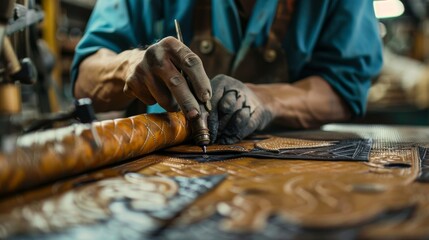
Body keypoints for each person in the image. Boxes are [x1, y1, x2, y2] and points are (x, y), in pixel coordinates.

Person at [71, 0, 383, 144]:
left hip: (289, 174)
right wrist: (128, 67)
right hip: (164, 166)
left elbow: (345, 88)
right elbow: (85, 80)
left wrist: (266, 100)